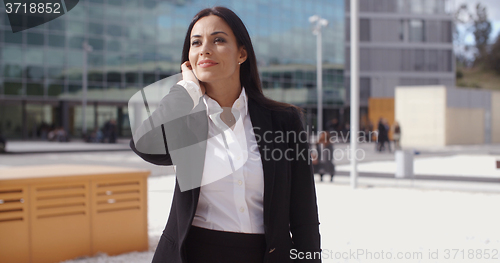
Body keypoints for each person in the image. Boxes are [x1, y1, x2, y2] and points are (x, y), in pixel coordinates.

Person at [130, 7, 321, 263]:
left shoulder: (284, 121)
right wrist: (186, 89)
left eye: (218, 40)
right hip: (191, 254)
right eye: (196, 43)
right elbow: (144, 144)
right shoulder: (185, 120)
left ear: (242, 53)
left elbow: (304, 215)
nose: (205, 49)